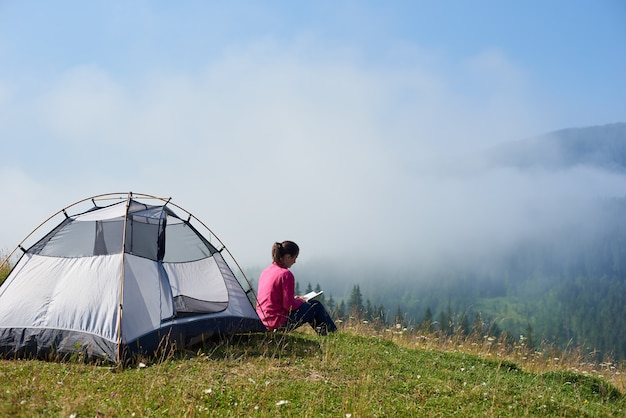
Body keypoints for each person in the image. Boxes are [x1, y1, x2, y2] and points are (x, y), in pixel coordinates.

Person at [256, 241, 337, 335]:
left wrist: (295, 300)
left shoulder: (266, 272)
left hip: (263, 321)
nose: (295, 261)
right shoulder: (286, 274)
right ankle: (332, 335)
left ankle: (327, 335)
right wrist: (301, 301)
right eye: (295, 258)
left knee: (311, 307)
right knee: (316, 306)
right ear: (288, 257)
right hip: (278, 323)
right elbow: (289, 306)